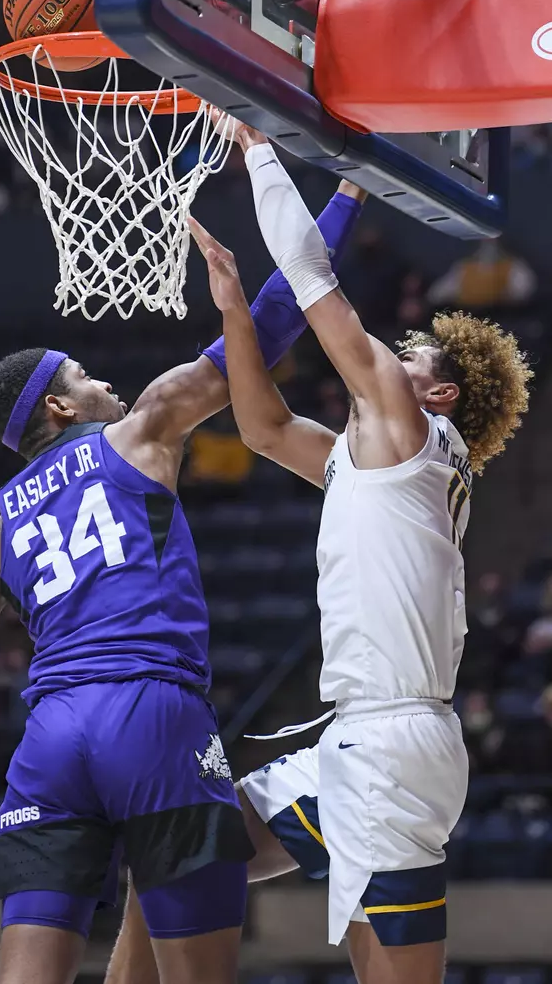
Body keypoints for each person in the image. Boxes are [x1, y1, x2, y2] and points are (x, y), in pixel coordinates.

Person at [0, 128, 365, 984]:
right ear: (59, 405)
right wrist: (346, 196)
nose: (104, 383)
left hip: (49, 739)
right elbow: (264, 331)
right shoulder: (142, 428)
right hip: (151, 716)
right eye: (84, 375)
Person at [103, 126, 532, 984]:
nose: (390, 352)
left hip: (389, 743)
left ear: (439, 392)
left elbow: (312, 282)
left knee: (192, 853)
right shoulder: (374, 458)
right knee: (180, 851)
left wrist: (260, 148)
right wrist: (231, 304)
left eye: (408, 355)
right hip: (369, 740)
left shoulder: (411, 428)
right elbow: (261, 430)